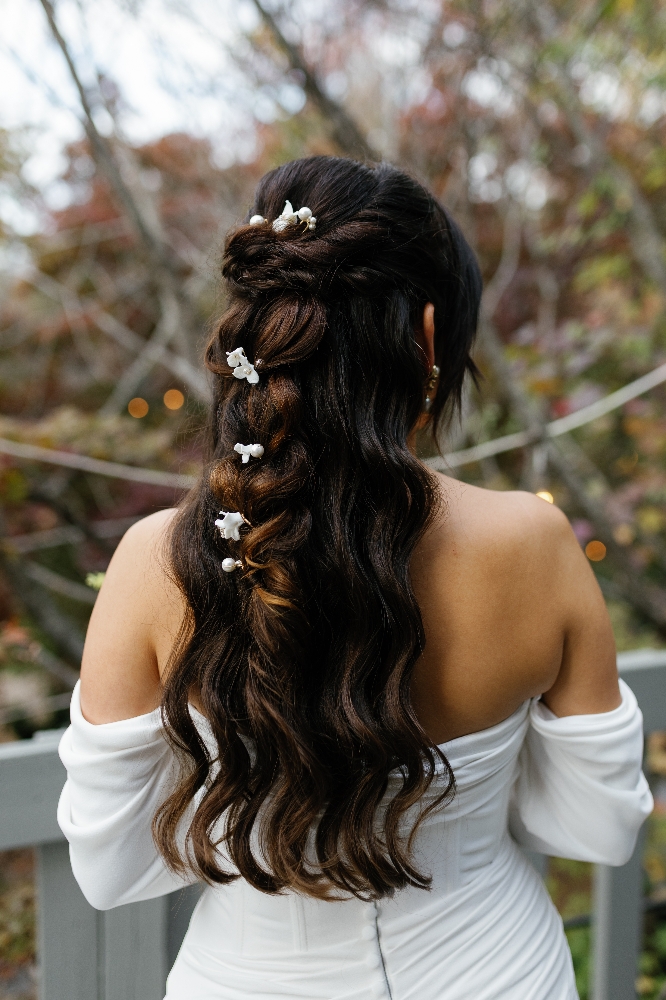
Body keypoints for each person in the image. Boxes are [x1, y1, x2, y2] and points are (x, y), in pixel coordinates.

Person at [57, 156, 652, 1000]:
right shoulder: (534, 539)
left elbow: (111, 869)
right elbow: (597, 824)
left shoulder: (157, 564)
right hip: (498, 973)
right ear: (433, 337)